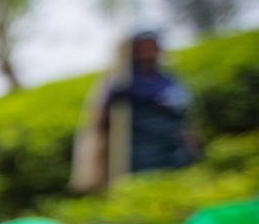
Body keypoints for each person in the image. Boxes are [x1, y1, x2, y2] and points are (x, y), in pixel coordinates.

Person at [71, 30, 198, 192]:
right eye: (144, 49)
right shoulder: (124, 80)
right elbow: (102, 116)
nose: (150, 53)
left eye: (153, 48)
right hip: (142, 150)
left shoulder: (167, 77)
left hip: (173, 146)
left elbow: (182, 105)